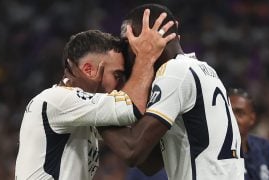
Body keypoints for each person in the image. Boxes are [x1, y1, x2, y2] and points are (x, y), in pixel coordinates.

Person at [15, 11, 176, 180]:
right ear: (89, 70)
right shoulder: (57, 99)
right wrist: (146, 56)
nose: (121, 85)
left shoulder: (82, 112)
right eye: (117, 76)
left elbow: (139, 155)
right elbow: (131, 106)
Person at [97, 4, 244, 180]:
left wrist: (94, 109)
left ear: (148, 40)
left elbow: (132, 150)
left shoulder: (175, 72)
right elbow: (150, 163)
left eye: (127, 44)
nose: (125, 54)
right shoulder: (202, 70)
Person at [228, 88, 269, 180]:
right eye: (228, 112)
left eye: (240, 113)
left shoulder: (268, 150)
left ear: (252, 118)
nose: (232, 118)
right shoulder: (215, 153)